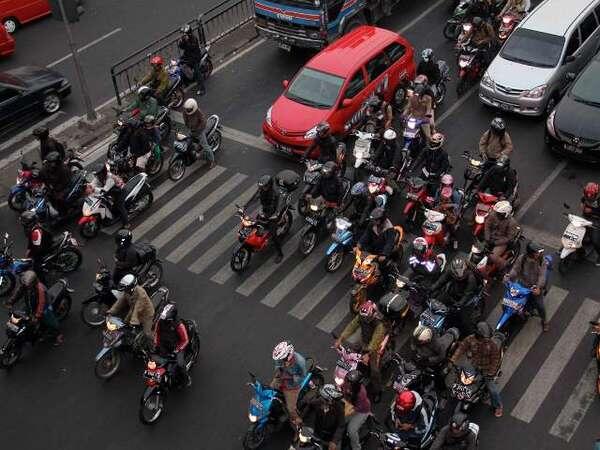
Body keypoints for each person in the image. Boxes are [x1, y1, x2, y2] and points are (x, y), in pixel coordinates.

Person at [450, 321, 503, 417]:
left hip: (487, 369)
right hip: (474, 364)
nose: (485, 339)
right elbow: (461, 348)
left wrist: (491, 372)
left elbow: (495, 359)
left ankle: (498, 406)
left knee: (493, 390)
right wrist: (453, 360)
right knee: (461, 378)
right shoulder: (470, 339)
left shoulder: (491, 344)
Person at [335, 300, 386, 395]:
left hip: (373, 346)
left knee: (374, 371)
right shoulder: (362, 316)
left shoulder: (379, 325)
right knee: (350, 352)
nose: (363, 320)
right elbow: (352, 326)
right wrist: (340, 338)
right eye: (362, 317)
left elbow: (375, 341)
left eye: (366, 318)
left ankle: (378, 390)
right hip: (363, 340)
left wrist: (368, 354)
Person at [5, 271, 63, 345]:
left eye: (28, 285)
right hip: (30, 305)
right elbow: (18, 293)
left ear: (33, 282)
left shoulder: (40, 289)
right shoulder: (25, 284)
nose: (26, 286)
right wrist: (10, 302)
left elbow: (41, 303)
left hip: (43, 307)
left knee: (49, 321)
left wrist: (37, 316)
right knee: (20, 318)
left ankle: (58, 335)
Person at [431, 254, 482, 334]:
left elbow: (467, 294)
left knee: (464, 322)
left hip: (465, 299)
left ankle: (473, 333)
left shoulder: (471, 278)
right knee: (437, 301)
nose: (458, 275)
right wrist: (432, 288)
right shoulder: (450, 271)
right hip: (453, 292)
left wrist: (459, 304)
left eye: (460, 273)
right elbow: (441, 281)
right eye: (456, 273)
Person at [505, 241, 550, 331]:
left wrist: (538, 287)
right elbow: (515, 269)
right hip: (522, 285)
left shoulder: (542, 261)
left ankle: (544, 321)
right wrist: (509, 276)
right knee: (509, 300)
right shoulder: (522, 258)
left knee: (540, 305)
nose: (539, 254)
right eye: (537, 252)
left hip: (534, 287)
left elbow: (542, 276)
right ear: (531, 253)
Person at [245, 175, 284, 263]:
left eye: (265, 186)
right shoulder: (262, 190)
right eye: (262, 187)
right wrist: (244, 207)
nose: (263, 188)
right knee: (253, 225)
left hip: (273, 214)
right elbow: (253, 198)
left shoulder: (275, 194)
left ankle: (280, 254)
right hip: (264, 211)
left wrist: (266, 216)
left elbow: (273, 207)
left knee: (274, 235)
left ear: (270, 185)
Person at [153, 303, 192, 387]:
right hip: (164, 345)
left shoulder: (179, 325)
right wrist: (156, 345)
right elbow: (157, 333)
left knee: (180, 364)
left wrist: (177, 350)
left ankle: (186, 379)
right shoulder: (160, 321)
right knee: (154, 360)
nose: (163, 319)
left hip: (176, 347)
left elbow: (185, 340)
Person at [271, 341, 307, 429]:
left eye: (282, 359)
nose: (280, 361)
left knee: (291, 410)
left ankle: (299, 428)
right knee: (269, 390)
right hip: (281, 378)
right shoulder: (280, 359)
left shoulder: (300, 361)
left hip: (291, 386)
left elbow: (302, 376)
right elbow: (277, 367)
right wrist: (279, 373)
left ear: (289, 354)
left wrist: (289, 376)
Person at [107, 273, 155, 338]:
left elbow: (137, 309)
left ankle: (153, 345)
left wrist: (133, 322)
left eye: (125, 288)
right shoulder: (128, 292)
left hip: (146, 314)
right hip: (133, 310)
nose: (124, 290)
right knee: (124, 323)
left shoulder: (141, 294)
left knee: (147, 334)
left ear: (130, 287)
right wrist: (111, 311)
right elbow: (120, 302)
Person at [302, 384, 346, 450]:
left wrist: (334, 441)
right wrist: (302, 421)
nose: (321, 399)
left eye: (324, 400)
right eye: (321, 397)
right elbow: (309, 413)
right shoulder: (316, 403)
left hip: (330, 436)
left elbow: (341, 425)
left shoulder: (339, 408)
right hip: (316, 432)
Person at [484, 200, 519, 271]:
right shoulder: (493, 214)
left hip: (501, 242)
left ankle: (505, 264)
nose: (497, 214)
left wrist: (495, 243)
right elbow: (487, 225)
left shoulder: (512, 223)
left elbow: (508, 238)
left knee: (493, 257)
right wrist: (487, 238)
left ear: (505, 213)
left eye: (500, 213)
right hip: (490, 238)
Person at [341, 370, 372, 450]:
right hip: (348, 404)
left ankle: (357, 448)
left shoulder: (362, 393)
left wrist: (345, 412)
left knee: (351, 430)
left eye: (349, 382)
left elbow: (356, 408)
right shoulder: (345, 384)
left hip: (361, 411)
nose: (346, 383)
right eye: (347, 380)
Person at [182, 98, 215, 168]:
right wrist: (188, 126)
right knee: (187, 143)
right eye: (187, 109)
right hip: (191, 131)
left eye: (189, 109)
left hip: (199, 132)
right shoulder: (185, 111)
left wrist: (198, 129)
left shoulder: (198, 112)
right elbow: (185, 120)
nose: (188, 110)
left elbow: (204, 122)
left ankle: (212, 161)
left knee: (206, 147)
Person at [20, 210, 53, 279]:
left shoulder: (36, 232)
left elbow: (38, 249)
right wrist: (29, 249)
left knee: (37, 267)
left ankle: (43, 283)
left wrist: (31, 253)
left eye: (24, 222)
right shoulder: (34, 227)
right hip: (42, 242)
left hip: (45, 246)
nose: (22, 223)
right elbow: (31, 240)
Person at [178, 25, 206, 96]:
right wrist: (182, 41)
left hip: (194, 57)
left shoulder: (194, 39)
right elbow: (181, 47)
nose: (183, 35)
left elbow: (191, 48)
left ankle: (202, 89)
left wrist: (186, 41)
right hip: (187, 55)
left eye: (184, 34)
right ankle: (186, 81)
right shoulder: (184, 39)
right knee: (180, 63)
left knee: (197, 72)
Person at [581, 182, 600, 266]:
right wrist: (582, 205)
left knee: (595, 240)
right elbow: (582, 201)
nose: (589, 198)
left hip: (597, 220)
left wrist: (592, 211)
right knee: (574, 229)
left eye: (591, 196)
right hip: (586, 217)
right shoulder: (585, 197)